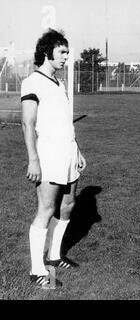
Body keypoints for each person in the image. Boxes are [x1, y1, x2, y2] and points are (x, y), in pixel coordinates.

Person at [21, 29, 86, 289]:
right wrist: (33, 160)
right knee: (46, 209)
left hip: (68, 151)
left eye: (67, 52)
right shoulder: (32, 82)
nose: (66, 57)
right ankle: (37, 271)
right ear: (48, 52)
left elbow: (64, 122)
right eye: (62, 52)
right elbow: (27, 123)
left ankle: (55, 255)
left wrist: (77, 149)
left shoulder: (59, 84)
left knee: (68, 205)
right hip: (48, 152)